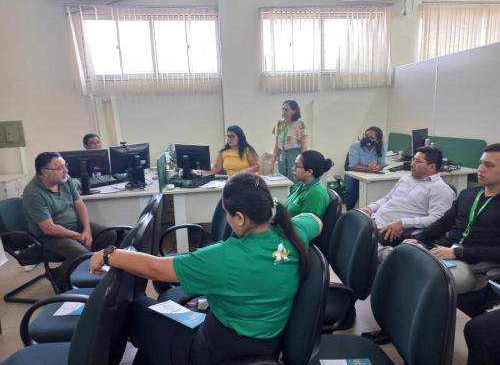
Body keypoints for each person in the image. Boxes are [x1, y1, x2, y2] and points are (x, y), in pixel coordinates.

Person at [89, 173, 322, 365]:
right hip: (265, 342)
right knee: (153, 324)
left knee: (138, 311)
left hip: (219, 350)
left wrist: (109, 254)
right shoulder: (293, 233)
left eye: (228, 214)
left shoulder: (224, 258)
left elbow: (155, 269)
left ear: (240, 218)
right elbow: (315, 220)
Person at [404, 143, 500, 317]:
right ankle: (396, 324)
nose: (480, 169)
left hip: (475, 266)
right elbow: (443, 224)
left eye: (489, 165)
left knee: (418, 280)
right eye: (481, 163)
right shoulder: (468, 194)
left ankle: (417, 334)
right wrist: (420, 239)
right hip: (444, 252)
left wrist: (460, 252)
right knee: (400, 263)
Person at [23, 152, 116, 290]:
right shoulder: (33, 193)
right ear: (45, 172)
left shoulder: (65, 180)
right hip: (49, 236)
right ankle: (58, 275)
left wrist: (87, 231)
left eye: (65, 165)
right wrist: (78, 236)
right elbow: (49, 229)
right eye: (60, 167)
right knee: (82, 253)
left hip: (74, 226)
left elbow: (80, 205)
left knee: (110, 235)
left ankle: (96, 266)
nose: (66, 170)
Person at [359, 147, 455, 257]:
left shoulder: (440, 189)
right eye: (413, 160)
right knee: (348, 227)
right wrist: (370, 208)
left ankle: (390, 258)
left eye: (417, 161)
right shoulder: (406, 178)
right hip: (375, 220)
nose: (411, 164)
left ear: (432, 167)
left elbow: (438, 219)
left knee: (359, 241)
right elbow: (387, 198)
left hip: (390, 231)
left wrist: (403, 222)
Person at [345, 126, 386, 210]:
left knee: (378, 189)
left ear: (377, 140)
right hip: (354, 174)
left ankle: (370, 212)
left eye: (371, 138)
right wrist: (368, 169)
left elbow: (382, 163)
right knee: (351, 190)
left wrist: (378, 167)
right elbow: (352, 166)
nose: (366, 139)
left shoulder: (381, 147)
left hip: (371, 175)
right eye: (365, 136)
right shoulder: (355, 145)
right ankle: (349, 211)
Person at [285, 150, 333, 219]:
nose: (292, 168)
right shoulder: (300, 185)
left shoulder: (316, 194)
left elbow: (306, 226)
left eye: (297, 166)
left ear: (309, 172)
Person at [269, 100, 309, 181]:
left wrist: (304, 164)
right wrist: (272, 164)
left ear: (294, 111)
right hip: (282, 157)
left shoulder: (301, 125)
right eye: (282, 109)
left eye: (286, 109)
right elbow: (276, 146)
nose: (283, 111)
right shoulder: (279, 124)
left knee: (295, 181)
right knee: (283, 181)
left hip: (295, 156)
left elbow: (305, 148)